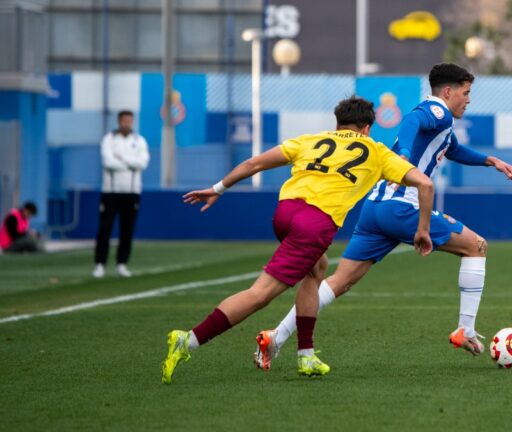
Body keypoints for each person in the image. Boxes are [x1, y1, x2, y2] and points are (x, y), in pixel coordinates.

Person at [254, 63, 512, 371]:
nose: (468, 99)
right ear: (448, 92)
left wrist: (491, 161)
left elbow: (455, 149)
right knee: (476, 246)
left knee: (339, 281)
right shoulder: (437, 111)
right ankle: (466, 329)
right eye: (466, 92)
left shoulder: (443, 127)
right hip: (402, 206)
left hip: (375, 209)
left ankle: (276, 336)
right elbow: (411, 121)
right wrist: (404, 154)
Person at [161, 96, 434, 383]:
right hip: (313, 225)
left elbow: (254, 163)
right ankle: (188, 340)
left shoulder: (312, 140)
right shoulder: (377, 151)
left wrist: (218, 188)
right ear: (367, 128)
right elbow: (425, 184)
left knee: (317, 269)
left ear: (337, 123)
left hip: (285, 212)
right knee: (260, 294)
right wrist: (422, 230)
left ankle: (306, 355)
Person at [93, 110, 150, 278]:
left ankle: (122, 263)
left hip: (132, 192)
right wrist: (130, 162)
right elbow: (108, 162)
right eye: (124, 120)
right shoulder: (109, 139)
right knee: (105, 228)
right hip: (110, 191)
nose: (127, 123)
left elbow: (142, 163)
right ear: (119, 121)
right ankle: (100, 264)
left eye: (129, 121)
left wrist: (122, 158)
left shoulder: (139, 141)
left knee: (127, 230)